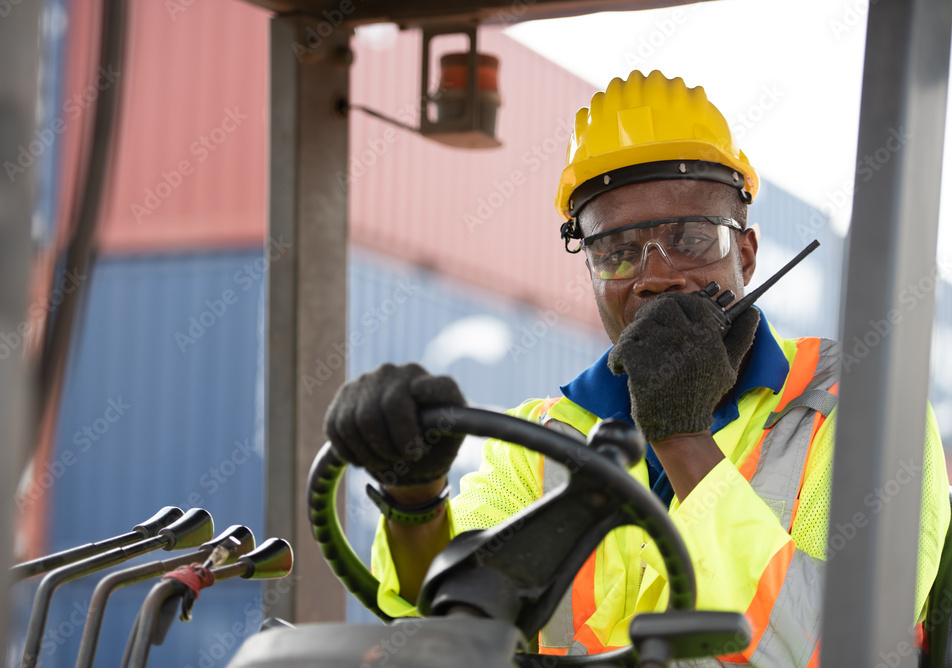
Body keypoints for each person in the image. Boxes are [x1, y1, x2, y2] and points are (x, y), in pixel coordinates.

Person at [324, 70, 951, 665]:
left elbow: (838, 652)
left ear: (748, 254)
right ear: (591, 274)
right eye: (618, 252)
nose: (655, 275)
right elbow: (454, 638)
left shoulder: (858, 414)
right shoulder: (538, 444)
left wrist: (682, 438)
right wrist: (414, 501)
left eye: (692, 238)